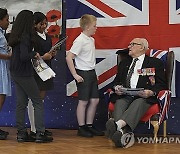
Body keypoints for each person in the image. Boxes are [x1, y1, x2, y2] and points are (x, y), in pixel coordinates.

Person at [106, 38, 167, 147]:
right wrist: (117, 88)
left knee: (138, 103)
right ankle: (124, 135)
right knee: (119, 103)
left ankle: (117, 126)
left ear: (142, 47)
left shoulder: (154, 63)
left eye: (132, 44)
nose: (129, 46)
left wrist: (151, 92)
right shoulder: (124, 63)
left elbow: (162, 84)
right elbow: (116, 82)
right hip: (125, 95)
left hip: (144, 97)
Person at [8, 10, 53, 143]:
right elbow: (24, 56)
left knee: (21, 103)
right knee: (37, 101)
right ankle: (39, 133)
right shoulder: (26, 36)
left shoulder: (15, 35)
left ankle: (21, 133)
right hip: (24, 73)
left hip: (15, 72)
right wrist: (34, 54)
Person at [66, 14, 104, 137]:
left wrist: (94, 73)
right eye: (94, 26)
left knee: (95, 100)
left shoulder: (91, 40)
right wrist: (75, 74)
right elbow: (69, 57)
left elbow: (89, 59)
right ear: (87, 27)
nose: (96, 28)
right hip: (83, 73)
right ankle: (81, 127)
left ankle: (89, 125)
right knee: (83, 101)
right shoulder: (80, 40)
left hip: (91, 72)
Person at [27, 11, 55, 138]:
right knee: (34, 100)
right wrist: (44, 56)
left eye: (45, 23)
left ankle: (39, 127)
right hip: (35, 71)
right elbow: (30, 56)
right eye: (41, 24)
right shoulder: (31, 37)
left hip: (46, 70)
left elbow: (47, 52)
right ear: (34, 24)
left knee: (40, 101)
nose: (44, 26)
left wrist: (52, 54)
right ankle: (34, 128)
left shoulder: (47, 36)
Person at [0, 8, 11, 140]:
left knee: (2, 97)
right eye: (7, 20)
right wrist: (7, 56)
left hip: (3, 66)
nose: (8, 22)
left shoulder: (2, 32)